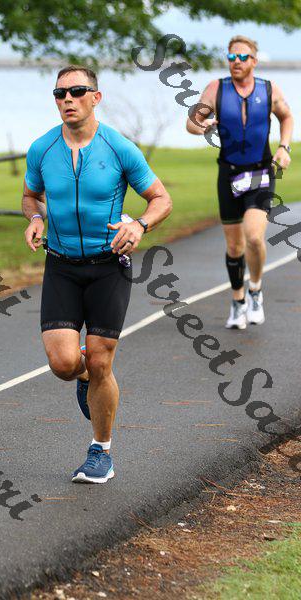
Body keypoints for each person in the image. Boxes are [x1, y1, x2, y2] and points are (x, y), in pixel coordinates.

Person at [22, 65, 172, 483]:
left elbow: (161, 199)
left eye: (76, 91)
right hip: (61, 265)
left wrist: (139, 225)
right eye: (60, 93)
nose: (67, 99)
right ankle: (84, 374)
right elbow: (30, 195)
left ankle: (100, 452)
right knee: (64, 362)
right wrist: (35, 217)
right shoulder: (42, 148)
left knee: (102, 359)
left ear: (96, 97)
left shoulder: (119, 148)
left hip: (109, 265)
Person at [186, 35, 293, 329]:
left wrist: (284, 147)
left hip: (260, 173)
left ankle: (255, 289)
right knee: (234, 247)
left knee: (254, 237)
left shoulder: (269, 89)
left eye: (243, 57)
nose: (236, 61)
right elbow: (191, 123)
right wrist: (202, 125)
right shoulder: (216, 89)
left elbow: (286, 117)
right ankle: (238, 300)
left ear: (254, 61)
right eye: (232, 56)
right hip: (229, 173)